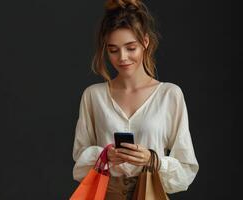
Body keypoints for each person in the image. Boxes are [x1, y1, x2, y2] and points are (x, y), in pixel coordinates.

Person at [72, 0, 199, 199]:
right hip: (106, 193)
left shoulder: (170, 95)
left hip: (150, 192)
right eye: (113, 50)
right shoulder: (93, 96)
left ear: (145, 42)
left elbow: (186, 167)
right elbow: (80, 159)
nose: (122, 57)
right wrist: (105, 155)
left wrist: (152, 160)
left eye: (131, 48)